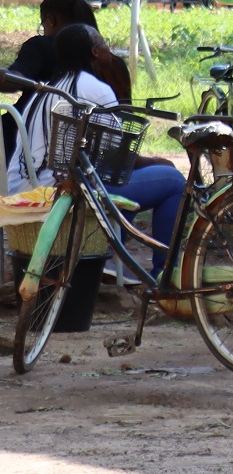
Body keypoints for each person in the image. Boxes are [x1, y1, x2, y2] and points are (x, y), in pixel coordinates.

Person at [6, 26, 188, 282]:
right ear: (94, 52)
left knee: (120, 182)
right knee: (173, 181)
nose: (108, 49)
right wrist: (157, 161)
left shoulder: (47, 89)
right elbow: (118, 156)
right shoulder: (95, 88)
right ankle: (165, 273)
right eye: (105, 44)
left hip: (26, 186)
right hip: (60, 192)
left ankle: (106, 255)